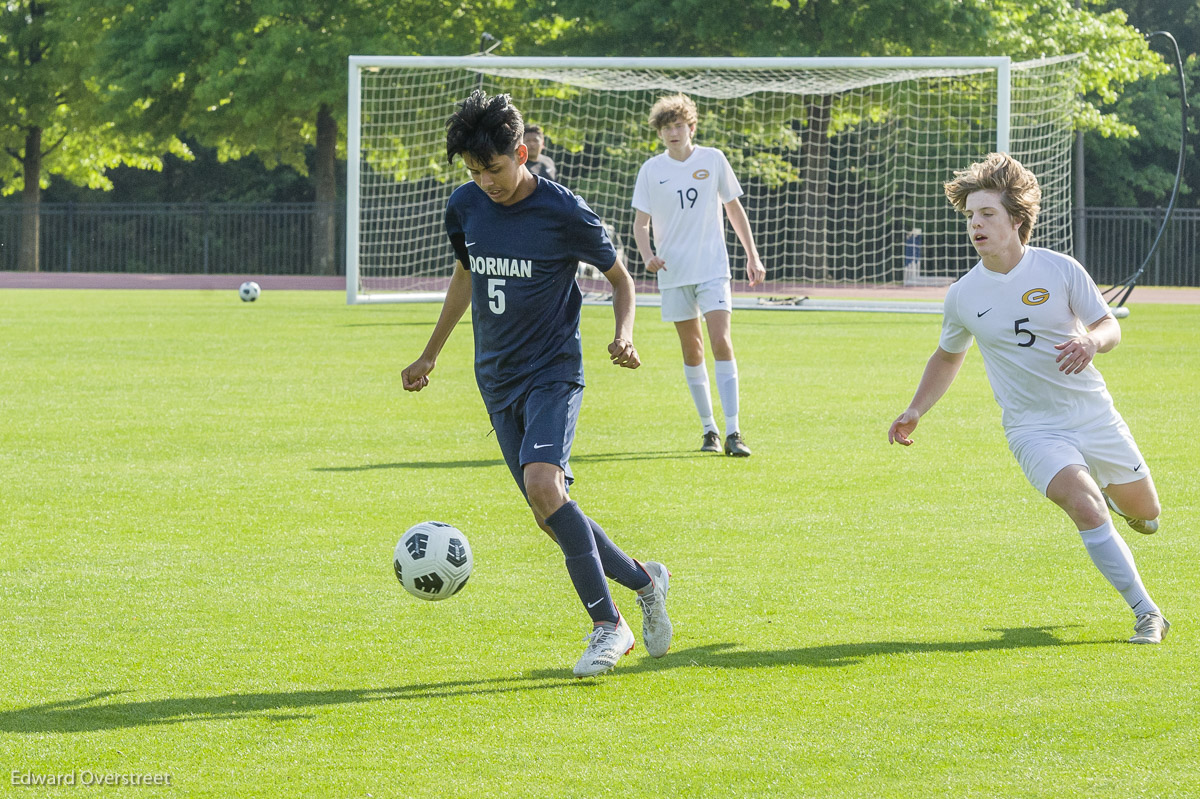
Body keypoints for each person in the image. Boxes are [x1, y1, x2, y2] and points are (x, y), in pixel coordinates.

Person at [402, 90, 673, 677]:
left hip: (553, 370)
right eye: (474, 171)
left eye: (494, 169)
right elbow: (466, 276)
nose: (485, 181)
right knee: (547, 508)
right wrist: (429, 355)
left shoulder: (563, 212)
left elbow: (621, 280)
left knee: (544, 485)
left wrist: (625, 334)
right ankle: (644, 581)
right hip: (495, 381)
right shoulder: (465, 206)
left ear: (521, 152)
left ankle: (609, 626)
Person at [888, 152, 1169, 645]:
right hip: (1032, 428)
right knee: (1084, 506)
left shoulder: (1059, 269)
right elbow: (948, 356)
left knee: (1147, 514)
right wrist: (915, 409)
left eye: (988, 214)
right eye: (971, 216)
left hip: (1092, 414)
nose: (976, 224)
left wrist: (1090, 341)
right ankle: (1148, 613)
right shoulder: (963, 294)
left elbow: (1108, 327)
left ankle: (1120, 498)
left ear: (1016, 220)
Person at [631, 93, 765, 457]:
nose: (673, 133)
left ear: (691, 127)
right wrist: (648, 257)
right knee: (692, 349)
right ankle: (709, 430)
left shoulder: (713, 159)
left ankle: (735, 430)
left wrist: (752, 255)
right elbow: (640, 225)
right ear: (660, 133)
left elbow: (734, 210)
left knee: (721, 340)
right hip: (674, 273)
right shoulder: (651, 170)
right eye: (666, 128)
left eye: (678, 126)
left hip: (712, 269)